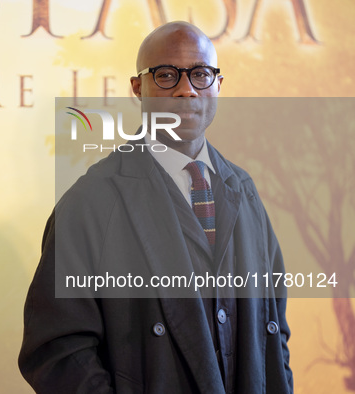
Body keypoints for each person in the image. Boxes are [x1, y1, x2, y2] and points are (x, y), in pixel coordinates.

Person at [19, 22, 292, 393]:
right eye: (165, 75)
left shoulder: (243, 191)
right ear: (138, 88)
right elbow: (56, 351)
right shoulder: (92, 201)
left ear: (218, 86)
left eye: (201, 74)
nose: (186, 89)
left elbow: (274, 327)